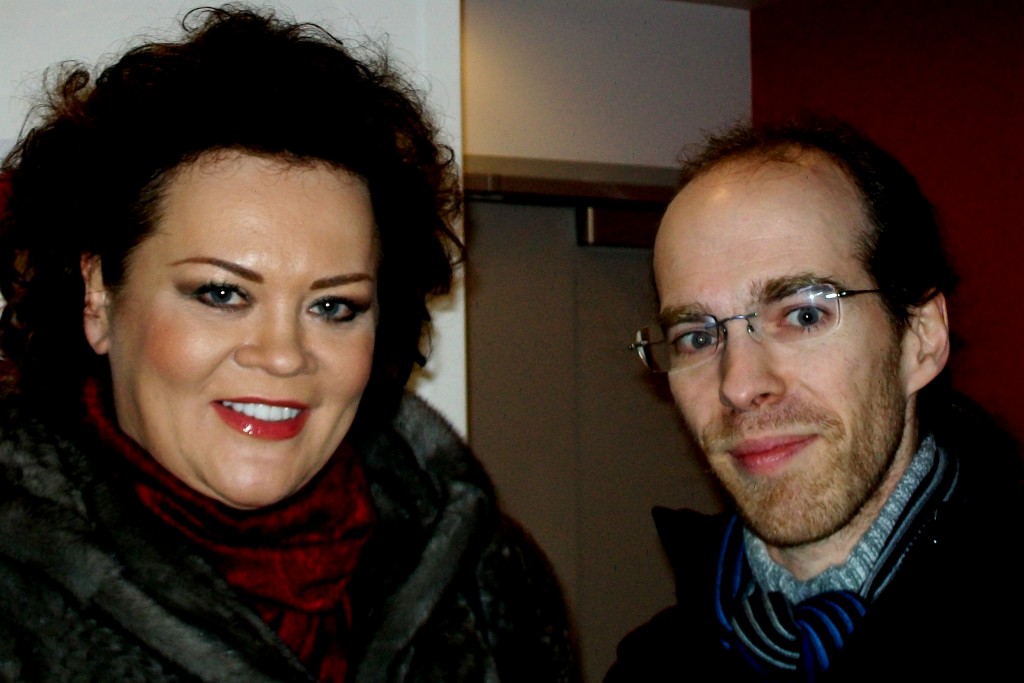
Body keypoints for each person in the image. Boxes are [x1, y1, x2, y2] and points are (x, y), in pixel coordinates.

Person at [0, 6, 577, 682]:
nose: (282, 354)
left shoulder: (487, 581)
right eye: (222, 293)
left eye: (333, 305)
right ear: (98, 295)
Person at [608, 119, 1023, 680]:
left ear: (920, 339)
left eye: (805, 315)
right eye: (698, 337)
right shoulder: (654, 663)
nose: (739, 385)